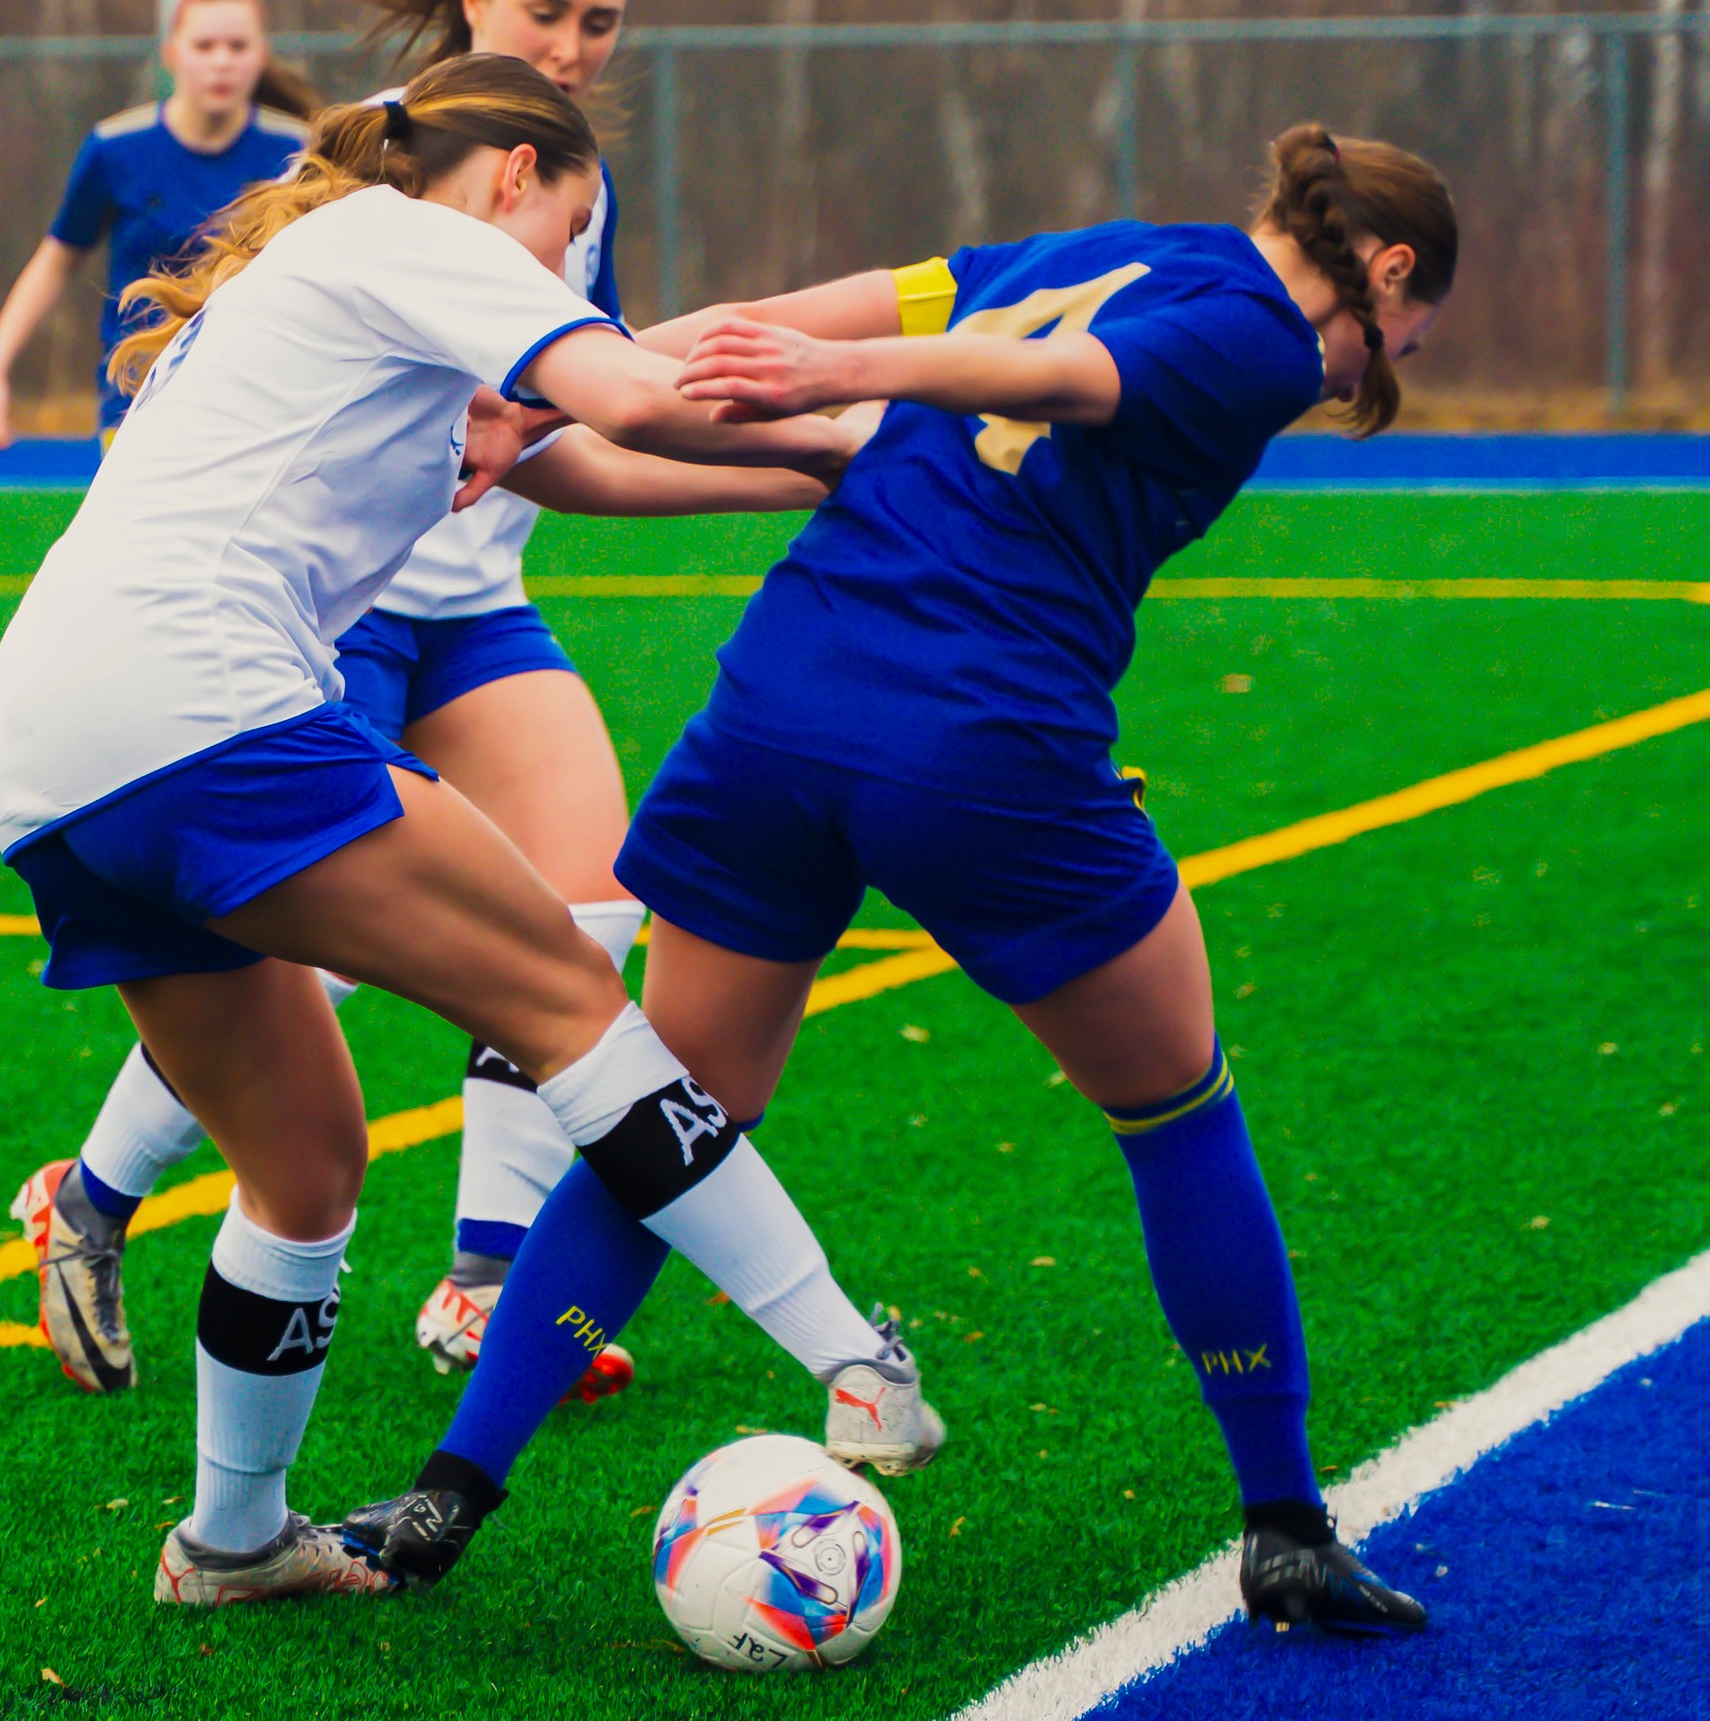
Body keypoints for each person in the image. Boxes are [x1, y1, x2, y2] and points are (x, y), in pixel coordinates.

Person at [343, 125, 1455, 1638]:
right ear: (1386, 268)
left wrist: (537, 383)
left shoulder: (1100, 247)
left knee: (666, 1124)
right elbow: (1067, 385)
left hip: (779, 709)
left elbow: (847, 304)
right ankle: (1284, 1522)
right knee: (1177, 1101)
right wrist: (818, 381)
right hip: (979, 735)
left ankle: (444, 1495)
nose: (1362, 370)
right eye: (1400, 335)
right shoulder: (1263, 329)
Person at [0, 54, 940, 1609]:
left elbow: (587, 443)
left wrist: (829, 464)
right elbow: (623, 384)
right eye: (569, 231)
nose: (569, 269)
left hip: (50, 754)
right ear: (511, 178)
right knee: (571, 1000)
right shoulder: (417, 241)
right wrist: (936, 403)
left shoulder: (349, 265)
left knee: (304, 1163)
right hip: (202, 704)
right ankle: (857, 1360)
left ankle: (230, 1544)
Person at [13, 0, 674, 1402]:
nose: (578, 47)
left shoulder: (578, 184)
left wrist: (800, 453)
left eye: (605, 24)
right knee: (308, 960)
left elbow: (576, 408)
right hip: (338, 622)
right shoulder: (390, 165)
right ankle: (91, 1198)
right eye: (548, 15)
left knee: (588, 892)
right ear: (475, 6)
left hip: (483, 604)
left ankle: (480, 1277)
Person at [0, 0, 315, 451]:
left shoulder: (298, 151)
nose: (222, 61)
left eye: (238, 46)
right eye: (205, 45)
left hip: (258, 403)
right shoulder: (115, 149)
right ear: (172, 54)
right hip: (136, 399)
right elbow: (57, 259)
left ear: (261, 55)